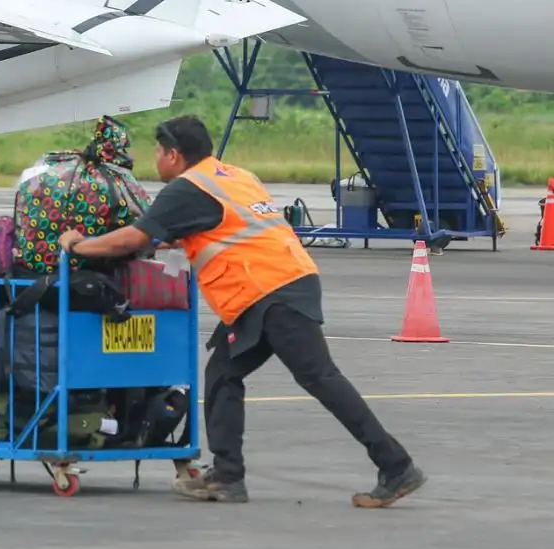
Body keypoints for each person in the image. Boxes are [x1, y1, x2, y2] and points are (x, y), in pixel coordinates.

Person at [59, 114, 425, 508]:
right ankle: (228, 475)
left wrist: (78, 245)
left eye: (159, 151)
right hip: (280, 285)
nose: (156, 159)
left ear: (174, 155)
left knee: (320, 378)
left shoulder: (187, 188)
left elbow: (133, 238)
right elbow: (208, 231)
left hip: (271, 292)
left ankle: (396, 465)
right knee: (223, 373)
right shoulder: (233, 176)